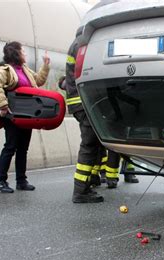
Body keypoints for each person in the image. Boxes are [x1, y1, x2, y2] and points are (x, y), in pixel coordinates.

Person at [0, 41, 50, 193]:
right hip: (12, 115)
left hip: (26, 115)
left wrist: (46, 65)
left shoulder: (24, 70)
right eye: (23, 51)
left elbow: (38, 81)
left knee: (23, 149)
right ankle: (0, 180)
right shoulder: (6, 70)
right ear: (16, 54)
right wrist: (3, 105)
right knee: (10, 147)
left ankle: (21, 180)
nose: (25, 54)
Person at [65, 38, 104, 203]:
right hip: (84, 102)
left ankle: (89, 181)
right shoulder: (84, 44)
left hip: (78, 103)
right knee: (89, 145)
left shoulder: (76, 44)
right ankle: (80, 191)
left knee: (93, 144)